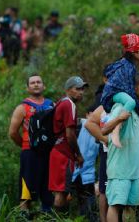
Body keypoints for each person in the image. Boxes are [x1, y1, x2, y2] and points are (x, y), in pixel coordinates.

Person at [102, 72, 139, 222]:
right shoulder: (121, 106)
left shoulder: (138, 109)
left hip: (134, 169)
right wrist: (117, 121)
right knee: (115, 206)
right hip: (120, 169)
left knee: (130, 206)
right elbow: (105, 129)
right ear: (134, 88)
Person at [8, 74, 54, 219]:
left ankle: (47, 215)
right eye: (32, 83)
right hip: (29, 153)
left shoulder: (52, 105)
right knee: (26, 185)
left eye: (38, 82)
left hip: (48, 152)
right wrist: (24, 145)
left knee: (48, 185)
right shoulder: (22, 108)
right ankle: (23, 215)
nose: (35, 84)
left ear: (44, 86)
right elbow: (13, 132)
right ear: (27, 88)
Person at [100, 33, 139, 148]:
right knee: (131, 101)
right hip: (113, 94)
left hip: (119, 93)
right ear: (135, 52)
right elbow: (129, 91)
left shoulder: (127, 64)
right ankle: (116, 129)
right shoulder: (127, 67)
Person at [49, 76, 86, 211]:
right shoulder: (69, 104)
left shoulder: (61, 102)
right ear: (68, 90)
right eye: (77, 89)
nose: (81, 92)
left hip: (57, 151)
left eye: (82, 89)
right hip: (63, 153)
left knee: (62, 191)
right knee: (61, 192)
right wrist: (78, 154)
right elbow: (70, 135)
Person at [72, 107, 100, 221]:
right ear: (88, 114)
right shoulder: (78, 126)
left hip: (88, 174)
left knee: (89, 205)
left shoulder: (101, 130)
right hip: (70, 171)